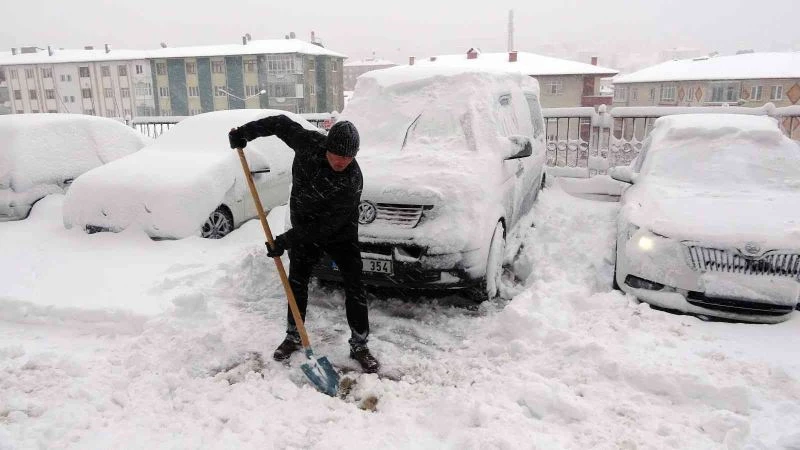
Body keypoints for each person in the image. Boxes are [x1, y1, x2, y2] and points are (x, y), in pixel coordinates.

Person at [228, 114, 379, 373]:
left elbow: (324, 227)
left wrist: (285, 241)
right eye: (337, 155)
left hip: (340, 232)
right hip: (303, 225)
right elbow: (280, 123)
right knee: (297, 281)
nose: (342, 161)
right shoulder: (308, 143)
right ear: (326, 147)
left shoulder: (352, 180)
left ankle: (360, 344)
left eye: (348, 157)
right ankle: (293, 336)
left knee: (354, 285)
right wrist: (245, 133)